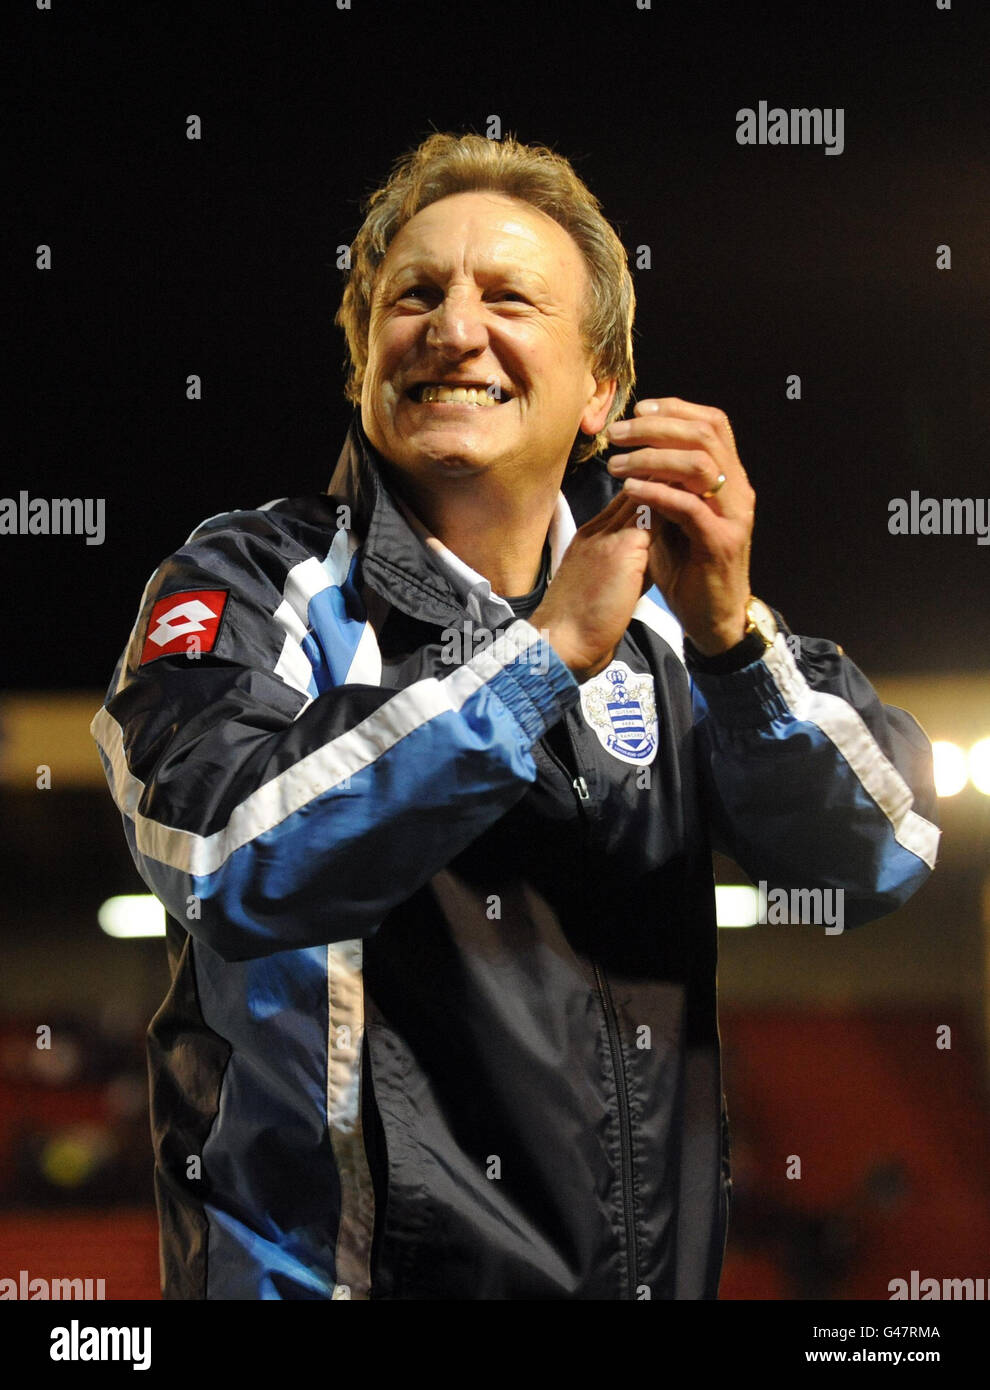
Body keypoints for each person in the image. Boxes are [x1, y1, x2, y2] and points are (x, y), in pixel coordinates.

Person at [91, 132, 939, 1300]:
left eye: (508, 297)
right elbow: (227, 854)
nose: (453, 328)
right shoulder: (243, 581)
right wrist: (541, 656)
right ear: (360, 360)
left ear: (601, 388)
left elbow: (886, 852)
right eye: (414, 295)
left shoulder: (675, 624)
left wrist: (737, 643)